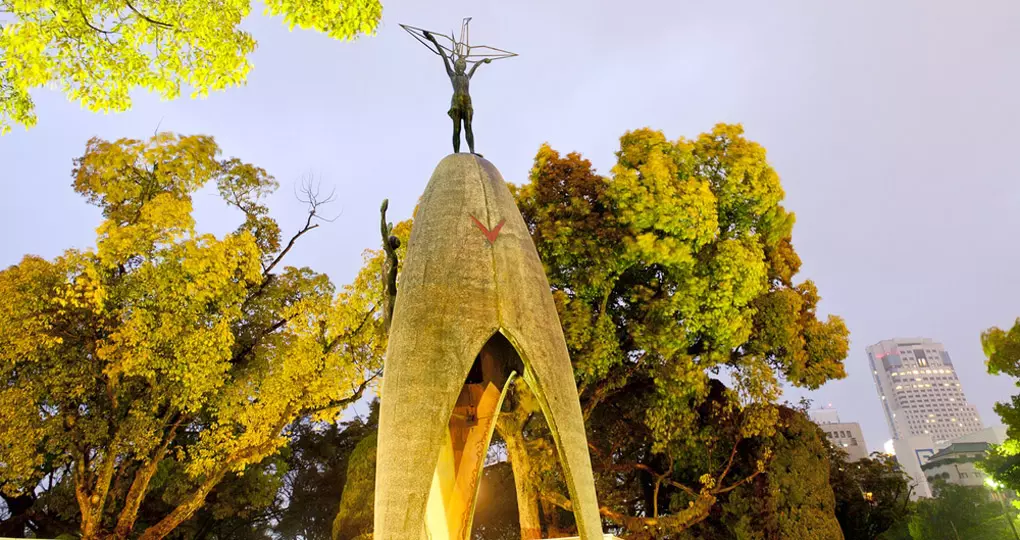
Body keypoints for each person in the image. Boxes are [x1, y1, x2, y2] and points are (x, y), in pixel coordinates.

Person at [424, 30, 491, 154]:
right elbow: (444, 56)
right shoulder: (452, 75)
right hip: (456, 103)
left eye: (463, 62)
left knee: (469, 127)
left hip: (467, 103)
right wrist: (433, 40)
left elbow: (475, 66)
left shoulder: (467, 77)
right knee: (456, 129)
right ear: (455, 65)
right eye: (459, 62)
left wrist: (483, 60)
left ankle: (472, 151)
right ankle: (456, 153)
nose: (462, 63)